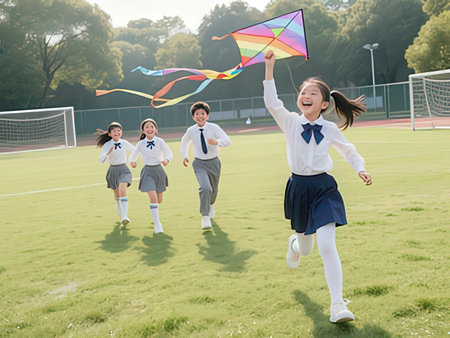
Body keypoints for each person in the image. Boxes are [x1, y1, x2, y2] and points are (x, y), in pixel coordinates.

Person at [263, 50, 372, 324]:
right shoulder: (289, 121)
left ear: (324, 104)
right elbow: (271, 102)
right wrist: (269, 67)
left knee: (326, 245)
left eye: (312, 93)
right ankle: (295, 245)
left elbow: (349, 151)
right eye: (303, 92)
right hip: (299, 189)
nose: (306, 95)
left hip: (324, 189)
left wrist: (360, 168)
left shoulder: (331, 128)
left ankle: (337, 305)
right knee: (307, 248)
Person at [180, 101, 231, 230]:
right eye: (197, 114)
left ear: (207, 115)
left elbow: (227, 141)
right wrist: (184, 155)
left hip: (214, 162)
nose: (200, 116)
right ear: (193, 117)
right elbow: (184, 142)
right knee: (205, 188)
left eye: (203, 113)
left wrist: (216, 142)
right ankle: (205, 216)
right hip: (199, 164)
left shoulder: (214, 127)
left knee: (213, 190)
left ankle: (211, 204)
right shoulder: (191, 130)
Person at [129, 118, 173, 234]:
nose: (149, 129)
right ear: (143, 131)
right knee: (152, 198)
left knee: (159, 200)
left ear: (156, 130)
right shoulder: (140, 144)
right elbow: (133, 154)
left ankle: (155, 216)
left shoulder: (160, 141)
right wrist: (132, 161)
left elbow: (169, 153)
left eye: (151, 127)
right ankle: (157, 224)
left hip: (159, 171)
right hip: (147, 171)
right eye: (146, 127)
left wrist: (166, 160)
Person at [97, 122, 135, 228]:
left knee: (123, 190)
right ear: (109, 134)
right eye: (114, 130)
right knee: (117, 194)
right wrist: (108, 153)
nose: (117, 132)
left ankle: (125, 217)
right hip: (113, 170)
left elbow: (135, 151)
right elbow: (101, 159)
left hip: (124, 169)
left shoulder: (124, 143)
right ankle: (120, 211)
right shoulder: (107, 145)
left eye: (119, 130)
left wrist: (133, 160)